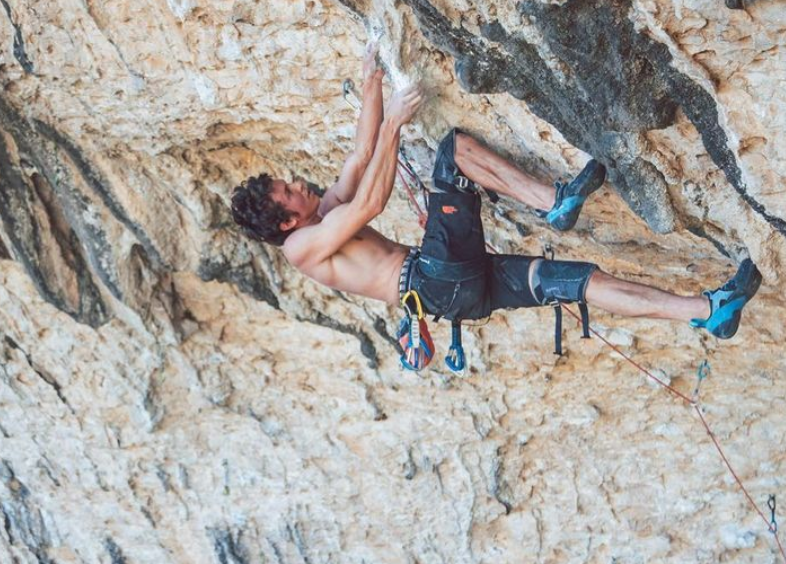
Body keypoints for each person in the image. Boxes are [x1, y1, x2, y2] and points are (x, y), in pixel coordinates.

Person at [230, 48, 762, 354]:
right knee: (452, 154)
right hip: (433, 279)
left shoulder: (317, 216)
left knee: (581, 283)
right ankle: (553, 201)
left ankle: (709, 311)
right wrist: (395, 120)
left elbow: (359, 154)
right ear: (285, 221)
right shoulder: (302, 247)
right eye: (288, 191)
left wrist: (373, 81)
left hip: (457, 292)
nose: (298, 184)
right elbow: (367, 204)